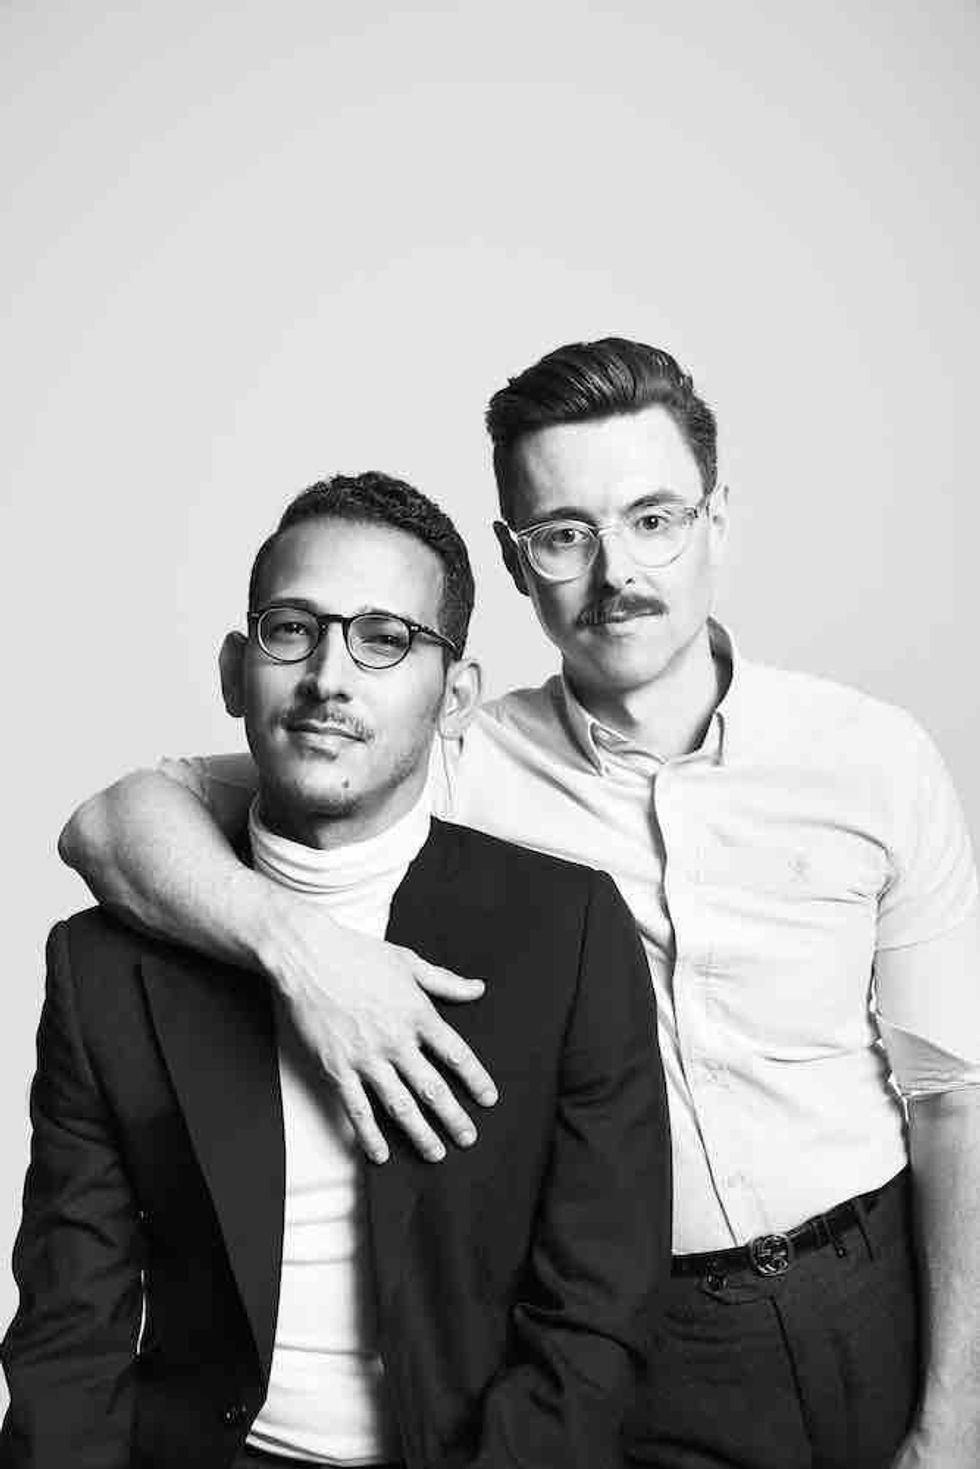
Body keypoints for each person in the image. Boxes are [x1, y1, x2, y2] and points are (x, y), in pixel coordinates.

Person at [59, 340, 980, 1468]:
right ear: (513, 557)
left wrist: (955, 1417)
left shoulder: (873, 757)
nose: (616, 571)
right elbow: (110, 823)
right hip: (638, 1334)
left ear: (717, 519)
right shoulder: (442, 750)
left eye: (654, 519)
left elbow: (954, 1100)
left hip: (874, 1280)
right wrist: (299, 947)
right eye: (563, 534)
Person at [1, 473, 670, 1469]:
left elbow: (598, 1312)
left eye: (384, 638)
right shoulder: (104, 965)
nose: (328, 675)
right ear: (235, 671)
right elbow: (69, 1330)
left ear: (456, 698)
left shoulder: (568, 934)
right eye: (291, 629)